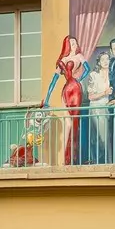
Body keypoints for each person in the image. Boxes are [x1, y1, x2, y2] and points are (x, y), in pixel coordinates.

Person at [46, 36, 88, 166]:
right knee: (68, 124)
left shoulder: (79, 57)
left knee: (75, 123)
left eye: (75, 42)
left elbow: (87, 69)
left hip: (75, 89)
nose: (75, 45)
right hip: (66, 90)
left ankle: (73, 157)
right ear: (67, 45)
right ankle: (65, 158)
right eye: (72, 43)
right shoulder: (62, 60)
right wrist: (47, 98)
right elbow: (54, 79)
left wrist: (79, 80)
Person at [81, 47, 114, 165]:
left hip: (109, 108)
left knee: (109, 137)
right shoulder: (94, 75)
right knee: (101, 138)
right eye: (103, 59)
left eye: (107, 59)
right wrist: (104, 93)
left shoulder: (112, 74)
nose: (105, 61)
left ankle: (108, 161)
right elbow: (91, 96)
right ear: (99, 62)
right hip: (97, 108)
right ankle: (102, 162)